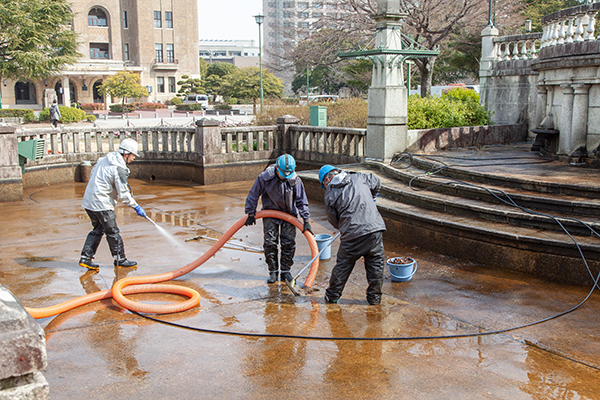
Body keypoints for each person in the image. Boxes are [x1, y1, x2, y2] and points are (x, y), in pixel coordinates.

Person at [319, 165, 386, 305]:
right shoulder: (359, 177)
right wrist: (372, 197)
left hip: (352, 235)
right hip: (374, 229)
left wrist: (344, 225)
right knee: (375, 264)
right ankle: (375, 298)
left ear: (327, 181)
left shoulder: (330, 193)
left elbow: (333, 220)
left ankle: (332, 296)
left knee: (343, 265)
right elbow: (377, 181)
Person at [78, 138, 147, 270]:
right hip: (101, 203)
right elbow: (124, 194)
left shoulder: (103, 160)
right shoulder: (119, 169)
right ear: (126, 154)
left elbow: (93, 175)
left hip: (89, 201)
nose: (134, 158)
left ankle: (86, 257)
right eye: (133, 155)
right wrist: (136, 206)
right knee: (112, 231)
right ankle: (120, 259)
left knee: (98, 229)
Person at [245, 154, 313, 284]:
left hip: (289, 216)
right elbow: (253, 194)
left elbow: (301, 200)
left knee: (288, 243)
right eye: (283, 174)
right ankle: (273, 272)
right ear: (277, 168)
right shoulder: (265, 177)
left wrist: (306, 220)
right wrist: (250, 213)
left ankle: (286, 271)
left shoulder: (295, 180)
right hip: (270, 213)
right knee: (270, 243)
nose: (285, 177)